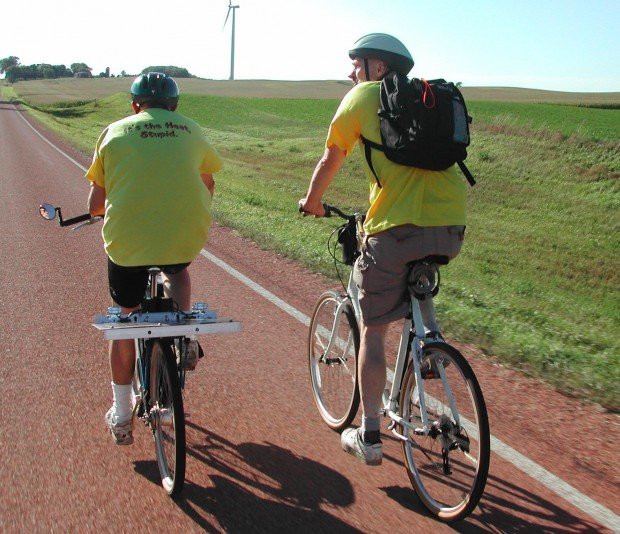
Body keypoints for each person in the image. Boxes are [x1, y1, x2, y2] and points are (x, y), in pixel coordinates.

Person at [298, 34, 467, 466]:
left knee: (373, 328)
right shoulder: (426, 100)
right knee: (417, 290)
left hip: (395, 230)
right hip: (450, 227)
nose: (351, 72)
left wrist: (312, 203)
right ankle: (431, 347)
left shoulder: (361, 98)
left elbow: (331, 158)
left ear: (377, 67)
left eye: (356, 64)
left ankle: (370, 435)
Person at [86, 72, 223, 445]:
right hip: (182, 237)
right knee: (178, 269)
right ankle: (186, 332)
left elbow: (96, 204)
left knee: (125, 318)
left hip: (128, 245)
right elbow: (208, 183)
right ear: (175, 107)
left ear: (134, 105)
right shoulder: (192, 130)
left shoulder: (114, 132)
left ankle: (121, 412)